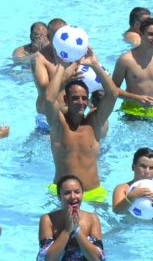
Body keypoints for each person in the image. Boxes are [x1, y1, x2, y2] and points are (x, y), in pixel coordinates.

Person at [38, 62, 116, 200]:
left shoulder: (95, 122)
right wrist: (61, 66)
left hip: (93, 192)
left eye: (84, 98)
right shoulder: (58, 124)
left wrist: (94, 65)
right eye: (75, 98)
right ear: (65, 100)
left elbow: (113, 94)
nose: (81, 102)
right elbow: (49, 98)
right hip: (63, 194)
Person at [110, 16, 153, 118]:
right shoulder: (125, 60)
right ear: (141, 34)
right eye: (150, 34)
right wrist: (136, 98)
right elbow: (113, 89)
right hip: (132, 110)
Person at [39, 175, 106, 261]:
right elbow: (48, 260)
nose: (73, 196)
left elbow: (95, 259)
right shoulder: (48, 219)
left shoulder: (92, 218)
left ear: (82, 194)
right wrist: (67, 230)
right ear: (59, 196)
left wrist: (77, 230)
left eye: (77, 192)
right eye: (67, 193)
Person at [108, 147, 153, 221]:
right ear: (133, 167)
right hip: (129, 225)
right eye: (143, 166)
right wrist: (131, 197)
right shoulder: (123, 189)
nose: (147, 171)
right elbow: (117, 212)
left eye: (151, 168)